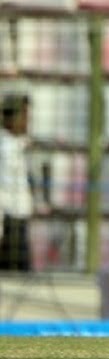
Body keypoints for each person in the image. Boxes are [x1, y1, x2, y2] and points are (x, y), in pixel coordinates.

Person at [0, 93, 35, 272]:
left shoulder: (17, 142)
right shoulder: (5, 147)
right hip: (9, 218)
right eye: (24, 116)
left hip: (17, 216)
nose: (28, 122)